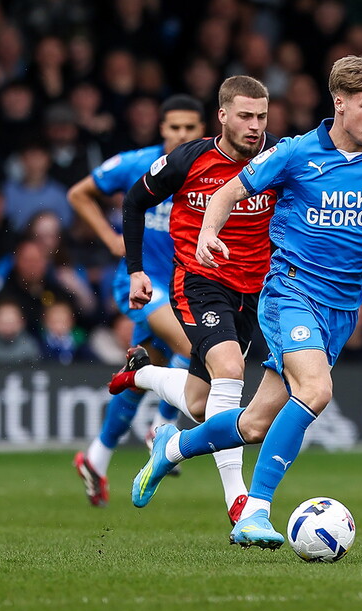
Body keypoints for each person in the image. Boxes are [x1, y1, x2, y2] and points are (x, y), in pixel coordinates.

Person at [126, 56, 362, 549]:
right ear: (339, 103)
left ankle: (172, 447)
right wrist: (208, 235)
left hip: (343, 308)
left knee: (257, 422)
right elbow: (225, 192)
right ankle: (253, 510)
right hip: (290, 292)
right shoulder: (295, 154)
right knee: (316, 390)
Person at [107, 77, 278, 523]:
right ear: (222, 116)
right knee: (231, 370)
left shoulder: (278, 159)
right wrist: (136, 270)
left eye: (261, 116)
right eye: (245, 116)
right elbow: (132, 203)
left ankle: (141, 375)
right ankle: (239, 503)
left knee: (204, 404)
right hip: (198, 282)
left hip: (252, 291)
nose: (255, 126)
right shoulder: (189, 158)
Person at [69, 95, 206, 507]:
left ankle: (96, 458)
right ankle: (161, 430)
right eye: (174, 128)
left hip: (185, 287)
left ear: (202, 129)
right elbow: (79, 194)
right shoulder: (135, 164)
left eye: (190, 128)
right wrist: (111, 239)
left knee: (141, 372)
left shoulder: (208, 169)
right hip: (141, 285)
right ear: (161, 130)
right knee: (195, 348)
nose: (182, 135)